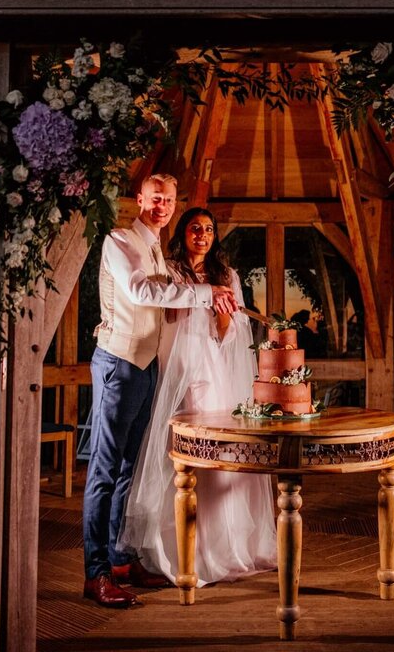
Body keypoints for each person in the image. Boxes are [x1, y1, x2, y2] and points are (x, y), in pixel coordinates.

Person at [83, 174, 240, 609]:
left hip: (147, 366)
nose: (162, 206)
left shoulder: (154, 245)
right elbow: (139, 290)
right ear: (140, 200)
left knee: (128, 469)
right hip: (119, 362)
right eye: (155, 199)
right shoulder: (120, 240)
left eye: (168, 200)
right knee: (103, 471)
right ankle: (94, 573)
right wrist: (206, 292)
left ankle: (119, 561)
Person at [120, 207, 276, 586]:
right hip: (182, 370)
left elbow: (233, 332)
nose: (202, 235)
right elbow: (167, 316)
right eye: (195, 228)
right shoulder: (171, 270)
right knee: (186, 453)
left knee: (222, 454)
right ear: (183, 233)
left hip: (219, 372)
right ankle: (182, 545)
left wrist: (225, 314)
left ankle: (224, 545)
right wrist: (204, 299)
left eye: (208, 229)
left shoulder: (228, 275)